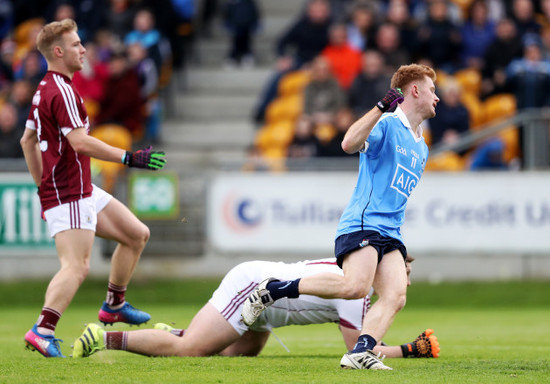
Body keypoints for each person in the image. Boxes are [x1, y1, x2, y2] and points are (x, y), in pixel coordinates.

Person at [241, 63, 439, 370]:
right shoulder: (387, 124)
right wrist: (379, 108)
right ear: (415, 90)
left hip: (392, 232)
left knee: (396, 295)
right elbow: (348, 143)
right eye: (432, 90)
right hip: (365, 223)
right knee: (355, 288)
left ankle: (360, 352)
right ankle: (273, 289)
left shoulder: (421, 145)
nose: (436, 97)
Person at [20, 19, 166, 358]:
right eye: (76, 45)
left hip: (76, 187)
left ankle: (114, 305)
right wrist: (130, 157)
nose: (83, 50)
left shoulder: (44, 88)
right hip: (70, 189)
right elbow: (80, 142)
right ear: (58, 52)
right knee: (76, 266)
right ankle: (42, 330)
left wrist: (43, 184)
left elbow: (27, 140)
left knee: (136, 234)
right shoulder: (61, 90)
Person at [72, 256, 440, 359]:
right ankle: (103, 339)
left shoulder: (357, 271)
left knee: (242, 352)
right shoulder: (356, 290)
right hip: (253, 286)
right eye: (403, 272)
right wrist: (411, 350)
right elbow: (359, 351)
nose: (404, 280)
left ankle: (175, 333)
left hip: (268, 312)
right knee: (192, 351)